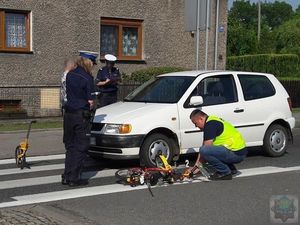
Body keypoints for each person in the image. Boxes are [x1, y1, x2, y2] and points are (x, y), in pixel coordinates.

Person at [62, 50, 98, 187]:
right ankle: (74, 178)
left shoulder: (70, 74)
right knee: (81, 146)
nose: (93, 66)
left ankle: (66, 175)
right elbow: (91, 101)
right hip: (80, 115)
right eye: (93, 64)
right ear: (88, 62)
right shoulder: (87, 78)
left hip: (68, 115)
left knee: (70, 146)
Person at [189, 109, 248, 180]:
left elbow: (205, 150)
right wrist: (196, 166)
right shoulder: (212, 120)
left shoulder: (210, 125)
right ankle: (231, 169)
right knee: (208, 150)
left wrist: (196, 168)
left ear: (200, 119)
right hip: (239, 152)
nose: (196, 126)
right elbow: (205, 145)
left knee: (204, 151)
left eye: (195, 123)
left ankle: (225, 172)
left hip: (236, 154)